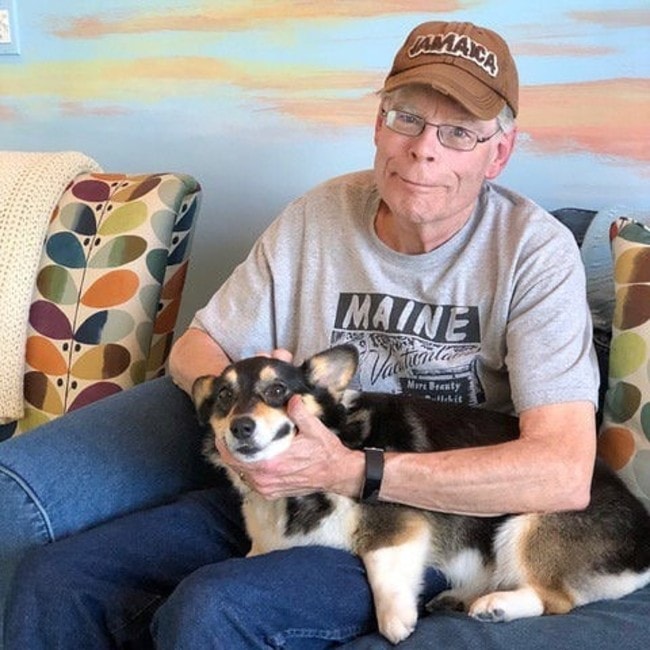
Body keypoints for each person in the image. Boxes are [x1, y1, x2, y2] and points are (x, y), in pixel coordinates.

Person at [5, 19, 647, 650]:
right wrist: (226, 410)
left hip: (413, 523)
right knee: (59, 580)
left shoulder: (534, 253)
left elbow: (562, 473)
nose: (425, 148)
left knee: (218, 607)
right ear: (378, 125)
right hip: (270, 487)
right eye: (408, 119)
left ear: (498, 153)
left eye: (458, 133)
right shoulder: (317, 217)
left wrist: (352, 471)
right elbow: (198, 349)